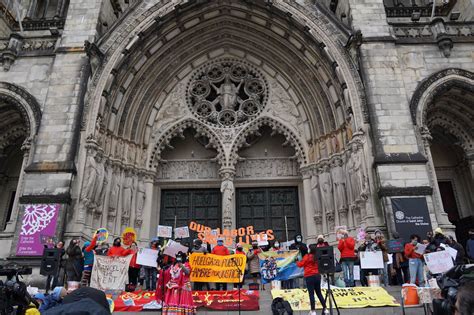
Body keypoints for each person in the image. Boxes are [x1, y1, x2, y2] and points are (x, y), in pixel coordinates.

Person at [296, 244, 328, 315]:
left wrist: (297, 261)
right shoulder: (317, 257)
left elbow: (300, 264)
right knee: (319, 293)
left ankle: (313, 311)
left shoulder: (307, 257)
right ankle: (325, 308)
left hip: (309, 276)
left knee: (311, 294)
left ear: (310, 250)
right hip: (317, 276)